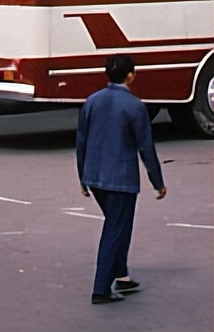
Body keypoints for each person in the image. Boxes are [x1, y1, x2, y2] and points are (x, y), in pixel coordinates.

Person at [75, 53, 166, 305]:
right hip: (121, 178)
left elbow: (81, 141)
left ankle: (121, 274)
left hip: (95, 176)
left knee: (119, 223)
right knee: (116, 227)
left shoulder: (92, 101)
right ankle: (101, 287)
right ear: (130, 75)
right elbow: (145, 147)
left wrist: (82, 176)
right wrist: (157, 181)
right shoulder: (135, 106)